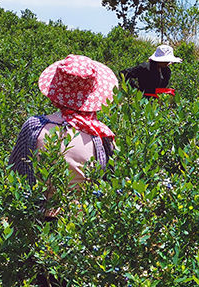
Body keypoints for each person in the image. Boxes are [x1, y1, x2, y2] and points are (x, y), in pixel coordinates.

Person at [8, 54, 118, 287]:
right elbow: (109, 186)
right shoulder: (100, 137)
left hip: (39, 226)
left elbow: (16, 174)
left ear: (57, 90)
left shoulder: (34, 128)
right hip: (80, 230)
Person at [10, 54, 118, 189]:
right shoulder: (102, 135)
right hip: (83, 209)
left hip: (38, 208)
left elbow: (16, 173)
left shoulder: (34, 126)